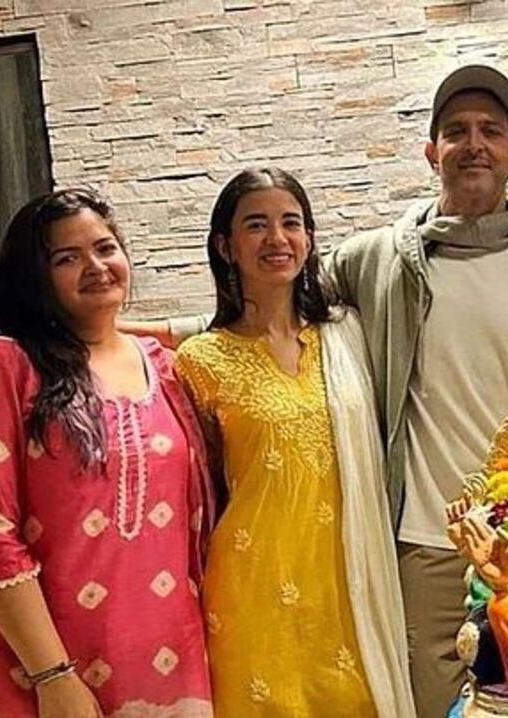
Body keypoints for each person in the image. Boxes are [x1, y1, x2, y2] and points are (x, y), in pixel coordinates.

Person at [135, 65, 508, 716]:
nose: (474, 143)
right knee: (433, 705)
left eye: (491, 130)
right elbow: (272, 307)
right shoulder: (377, 261)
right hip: (421, 545)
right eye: (455, 130)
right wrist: (128, 328)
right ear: (431, 152)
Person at [0, 189, 213, 716]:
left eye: (106, 248)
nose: (96, 266)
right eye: (66, 258)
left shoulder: (166, 367)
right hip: (33, 670)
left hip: (166, 659)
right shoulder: (3, 366)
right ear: (34, 278)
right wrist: (52, 675)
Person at [172, 168, 413, 715]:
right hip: (253, 591)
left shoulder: (346, 336)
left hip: (347, 584)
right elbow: (202, 491)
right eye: (256, 225)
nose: (277, 239)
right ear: (225, 246)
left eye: (291, 223)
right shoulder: (201, 362)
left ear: (308, 239)